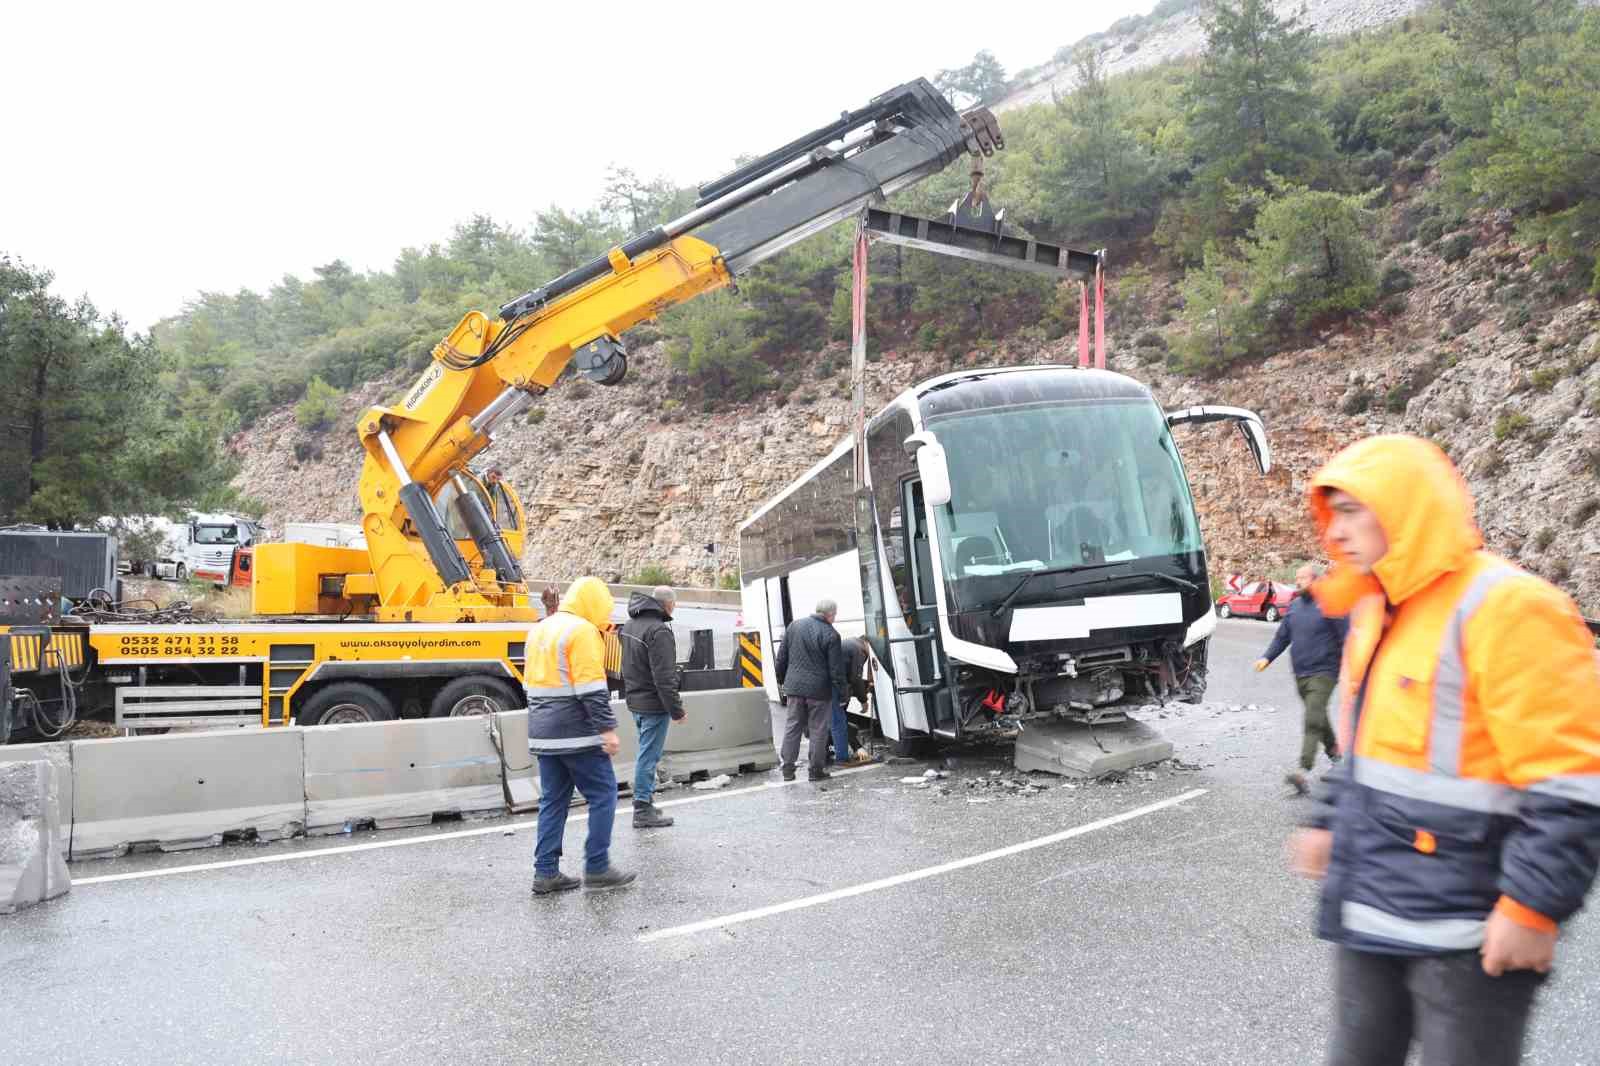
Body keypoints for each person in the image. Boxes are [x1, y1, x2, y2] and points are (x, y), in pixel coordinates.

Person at [1286, 435, 1600, 1065]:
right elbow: (1370, 749)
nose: (1335, 531)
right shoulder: (1379, 611)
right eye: (1332, 513)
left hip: (1468, 932)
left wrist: (1533, 908)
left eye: (1351, 510)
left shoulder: (1509, 607)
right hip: (1373, 909)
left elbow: (1571, 780)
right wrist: (1327, 819)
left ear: (1405, 509)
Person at [525, 576, 635, 895]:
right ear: (592, 602)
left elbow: (529, 684)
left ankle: (545, 872)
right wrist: (607, 730)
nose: (606, 615)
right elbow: (591, 689)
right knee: (603, 794)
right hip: (575, 731)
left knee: (553, 801)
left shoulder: (540, 628)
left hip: (542, 731)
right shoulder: (582, 631)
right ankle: (597, 866)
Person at [1254, 563, 1347, 795]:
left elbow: (1347, 638)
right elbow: (1282, 637)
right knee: (1319, 716)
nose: (1297, 581)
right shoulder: (1295, 607)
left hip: (1325, 672)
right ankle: (1337, 758)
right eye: (1297, 577)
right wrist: (1267, 657)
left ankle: (1303, 771)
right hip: (1301, 674)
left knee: (1312, 719)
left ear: (1317, 580)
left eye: (1302, 577)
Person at [619, 586, 685, 829]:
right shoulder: (659, 631)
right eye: (674, 605)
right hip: (653, 704)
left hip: (635, 700)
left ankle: (646, 802)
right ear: (668, 605)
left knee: (646, 753)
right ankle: (642, 809)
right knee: (648, 756)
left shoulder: (629, 625)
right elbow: (664, 678)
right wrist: (676, 710)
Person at [775, 597, 847, 782]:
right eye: (835, 615)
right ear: (830, 614)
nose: (834, 618)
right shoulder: (831, 634)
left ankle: (788, 769)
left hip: (794, 688)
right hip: (818, 691)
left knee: (793, 727)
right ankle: (815, 770)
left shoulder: (794, 626)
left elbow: (781, 658)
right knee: (818, 730)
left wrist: (782, 680)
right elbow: (836, 670)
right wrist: (842, 694)